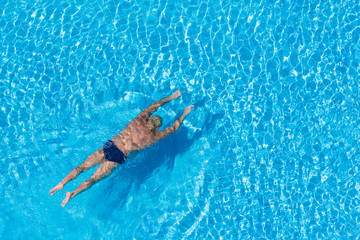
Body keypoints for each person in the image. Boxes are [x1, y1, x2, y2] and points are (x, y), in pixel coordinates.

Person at [49, 90, 194, 207]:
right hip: (119, 156)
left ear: (149, 119)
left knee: (81, 167)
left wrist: (171, 97)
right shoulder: (154, 136)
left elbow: (156, 105)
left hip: (110, 146)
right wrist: (184, 114)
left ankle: (62, 183)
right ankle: (72, 194)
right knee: (92, 180)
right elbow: (173, 128)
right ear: (157, 127)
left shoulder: (140, 119)